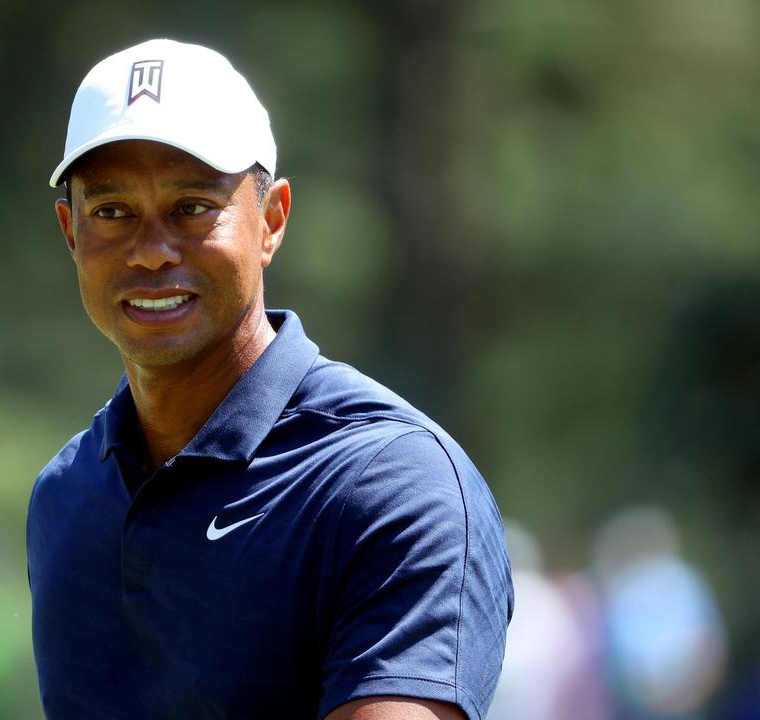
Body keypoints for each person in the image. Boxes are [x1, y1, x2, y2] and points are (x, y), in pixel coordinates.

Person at [26, 38, 513, 720]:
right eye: (112, 212)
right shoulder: (66, 494)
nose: (151, 250)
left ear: (272, 220)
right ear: (70, 232)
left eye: (192, 207)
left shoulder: (391, 484)